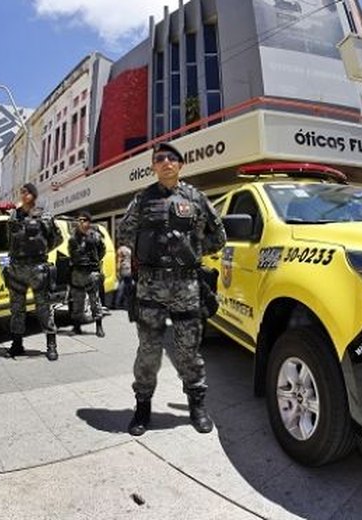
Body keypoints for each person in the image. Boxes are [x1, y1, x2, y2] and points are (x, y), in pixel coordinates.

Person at [118, 141, 226, 436]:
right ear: (153, 166)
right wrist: (126, 270)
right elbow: (124, 236)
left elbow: (219, 236)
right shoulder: (141, 200)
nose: (165, 162)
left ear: (181, 165)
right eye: (159, 158)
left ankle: (197, 406)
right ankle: (142, 408)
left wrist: (191, 251)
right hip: (150, 286)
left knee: (188, 350)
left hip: (186, 285)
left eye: (171, 158)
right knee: (149, 351)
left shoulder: (196, 198)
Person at [4, 182, 64, 360]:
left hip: (38, 268)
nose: (22, 194)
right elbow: (10, 239)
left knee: (43, 308)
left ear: (33, 195)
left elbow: (57, 238)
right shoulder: (14, 216)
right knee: (16, 309)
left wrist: (42, 250)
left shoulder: (44, 216)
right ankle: (17, 344)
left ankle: (51, 345)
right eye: (21, 191)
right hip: (17, 268)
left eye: (26, 192)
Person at [68, 211, 107, 337]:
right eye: (79, 220)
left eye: (84, 220)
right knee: (77, 300)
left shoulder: (96, 236)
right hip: (77, 272)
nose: (81, 222)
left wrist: (94, 262)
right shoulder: (73, 238)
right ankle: (76, 327)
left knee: (94, 300)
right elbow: (71, 253)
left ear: (89, 222)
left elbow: (102, 251)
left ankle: (99, 327)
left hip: (91, 272)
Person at [114, 244, 133, 310]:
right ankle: (126, 304)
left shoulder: (120, 250)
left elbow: (119, 261)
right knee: (127, 288)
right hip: (129, 269)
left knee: (121, 287)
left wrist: (117, 270)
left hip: (123, 269)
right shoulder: (129, 250)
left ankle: (117, 303)